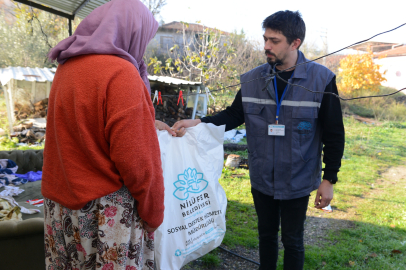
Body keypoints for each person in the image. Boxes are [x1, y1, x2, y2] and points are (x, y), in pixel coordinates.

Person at [172, 10, 345, 270]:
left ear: (295, 42)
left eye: (274, 41)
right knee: (265, 237)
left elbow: (334, 133)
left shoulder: (321, 80)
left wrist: (329, 178)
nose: (266, 46)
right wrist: (198, 123)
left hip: (297, 178)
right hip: (262, 176)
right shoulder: (253, 80)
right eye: (265, 38)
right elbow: (233, 115)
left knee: (293, 240)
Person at [42, 1, 174, 269]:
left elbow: (81, 127)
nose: (143, 49)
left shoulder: (67, 67)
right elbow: (138, 162)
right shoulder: (121, 73)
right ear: (132, 32)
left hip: (60, 209)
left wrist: (147, 123)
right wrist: (153, 213)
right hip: (104, 217)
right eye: (145, 39)